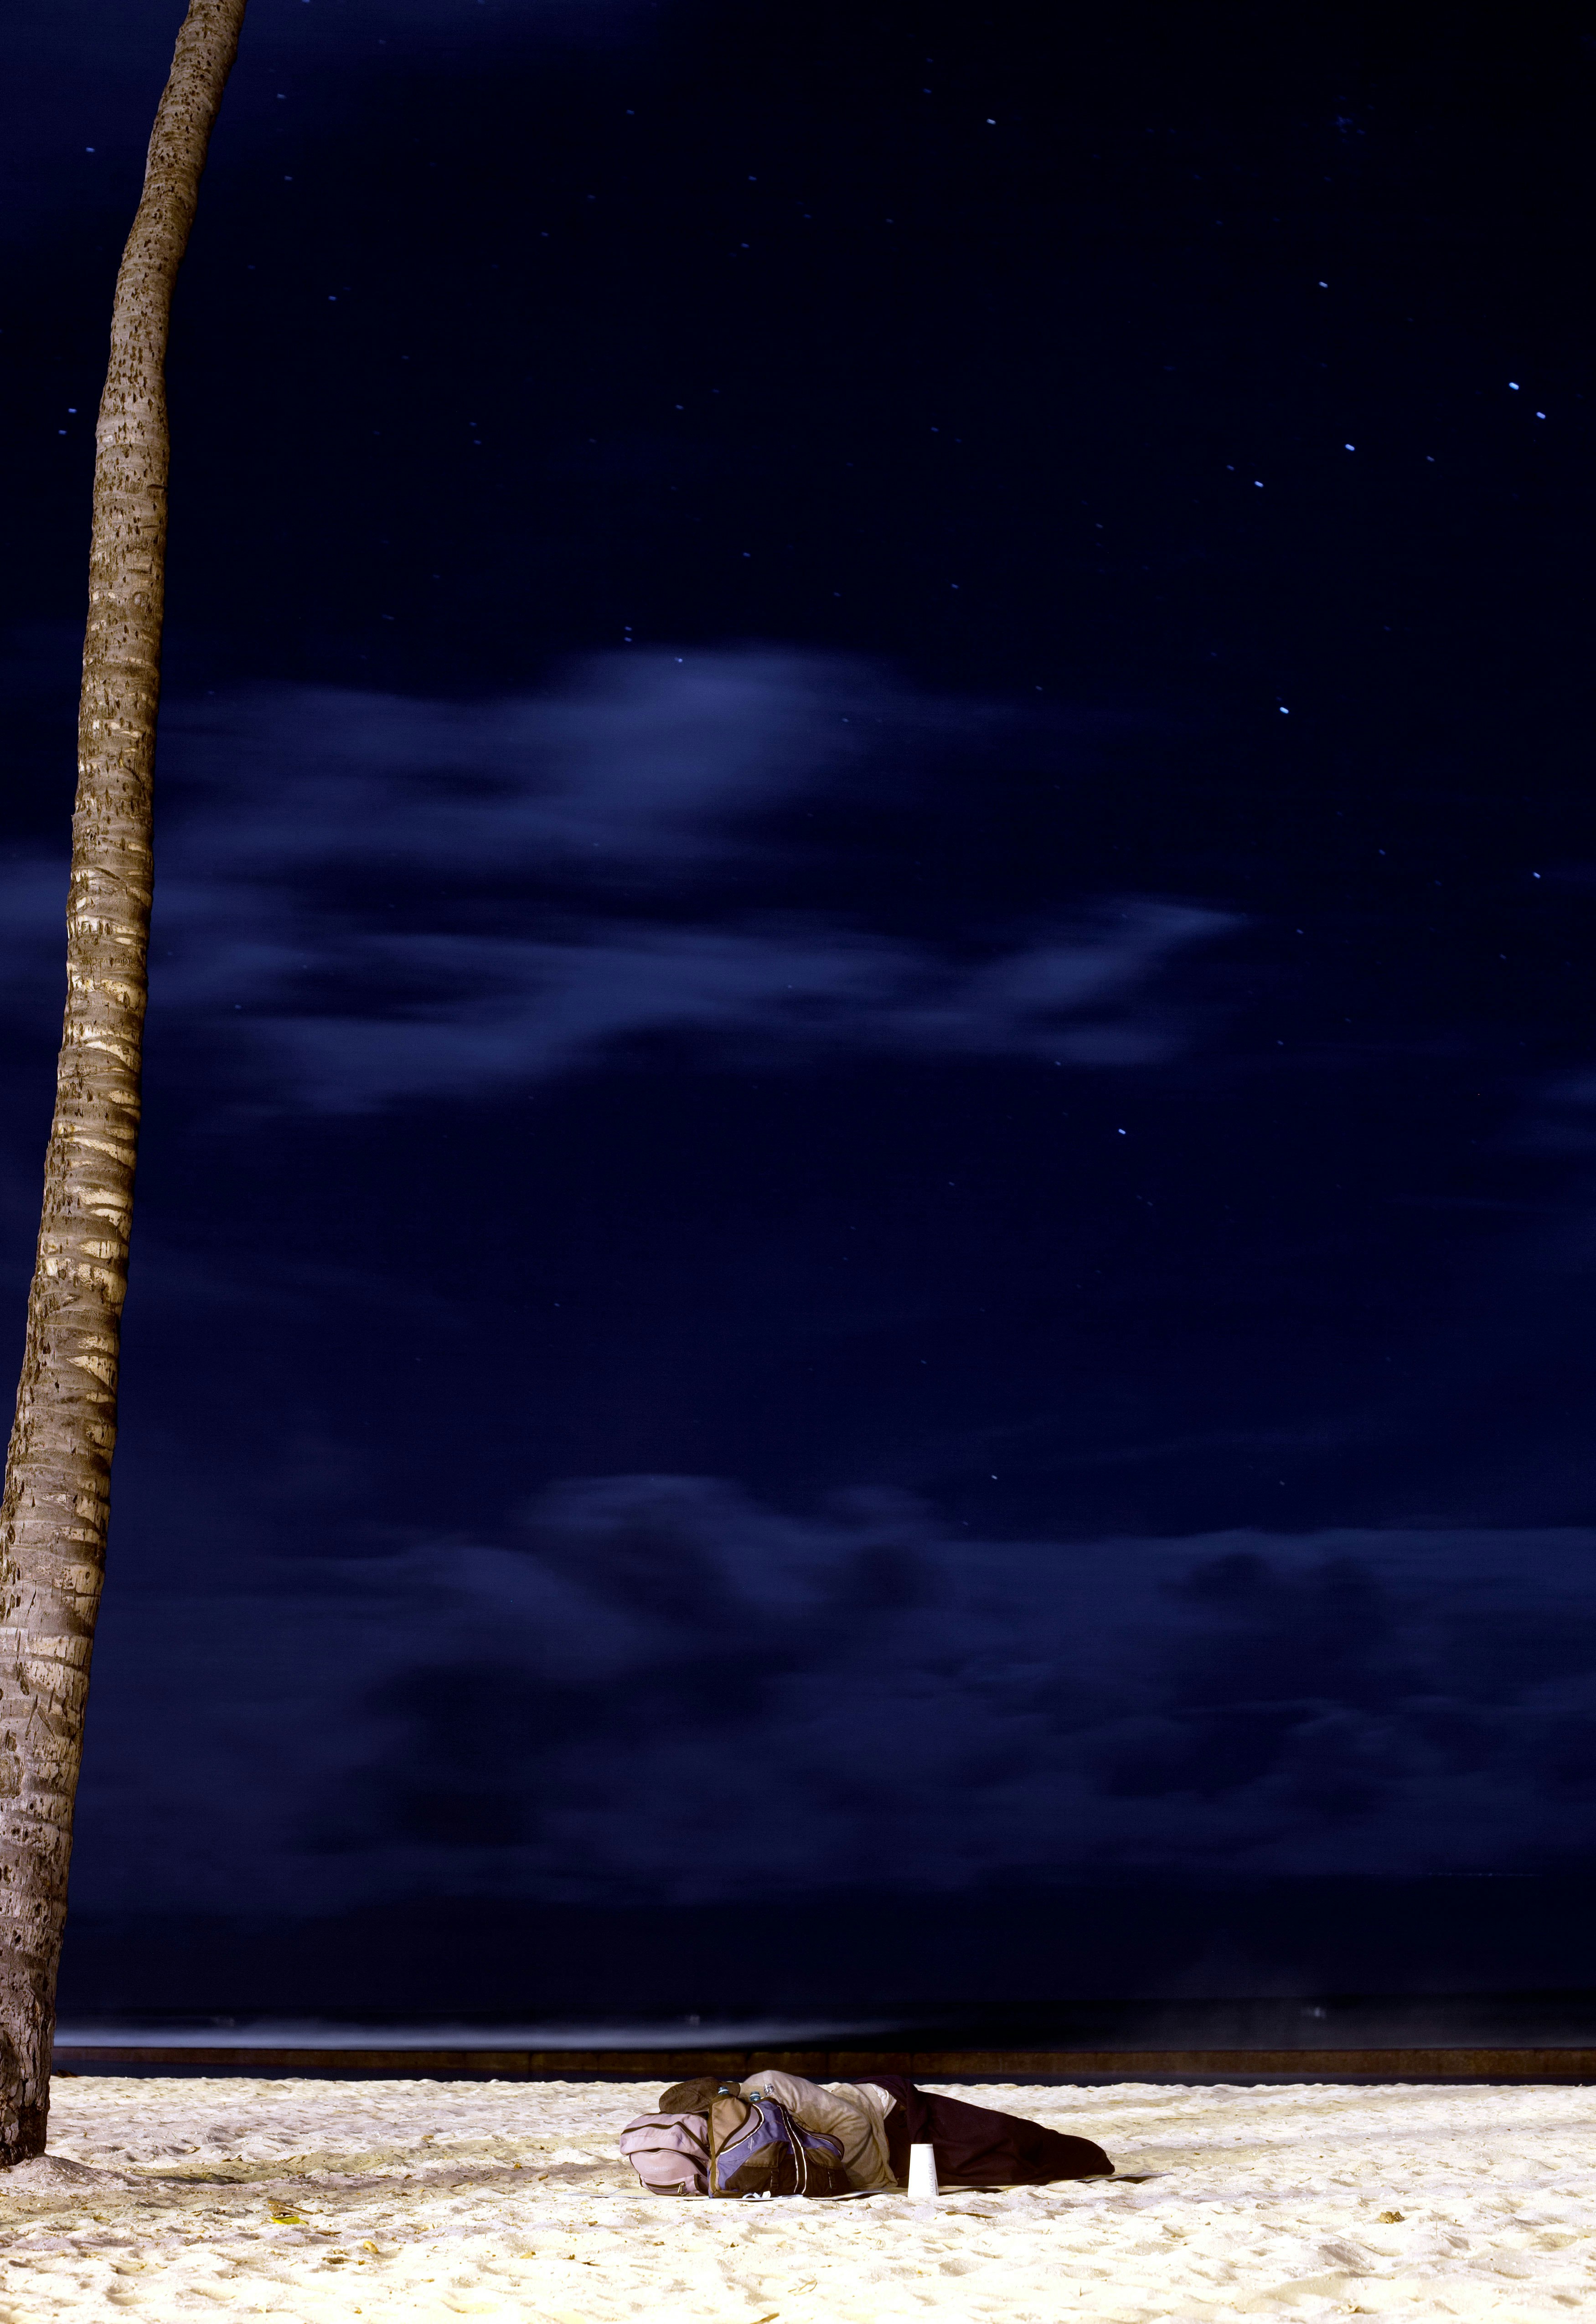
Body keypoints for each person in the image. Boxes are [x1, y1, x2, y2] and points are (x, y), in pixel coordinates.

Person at [656, 2070, 1111, 2189]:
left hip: (891, 2115)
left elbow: (849, 2120)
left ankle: (1092, 2157)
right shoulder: (727, 2130)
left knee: (1006, 2137)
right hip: (887, 2153)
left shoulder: (770, 2086)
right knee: (1000, 2169)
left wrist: (872, 2180)